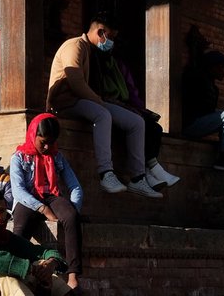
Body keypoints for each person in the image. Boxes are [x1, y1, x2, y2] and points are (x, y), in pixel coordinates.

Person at [46, 12, 163, 197]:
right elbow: (76, 83)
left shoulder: (91, 50)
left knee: (136, 122)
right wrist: (100, 102)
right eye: (111, 37)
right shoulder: (75, 45)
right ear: (101, 32)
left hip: (84, 101)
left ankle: (138, 178)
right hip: (65, 103)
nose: (111, 42)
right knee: (102, 114)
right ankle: (106, 173)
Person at [9, 113, 84, 290]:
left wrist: (73, 208)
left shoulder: (57, 157)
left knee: (71, 216)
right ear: (33, 134)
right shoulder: (19, 157)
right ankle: (15, 274)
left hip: (51, 196)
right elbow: (18, 191)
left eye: (51, 142)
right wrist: (42, 209)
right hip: (28, 198)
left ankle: (73, 275)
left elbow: (75, 187)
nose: (47, 146)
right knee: (21, 226)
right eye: (43, 142)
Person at [181, 51, 224, 173]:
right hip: (191, 124)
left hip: (199, 121)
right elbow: (201, 108)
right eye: (222, 67)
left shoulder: (211, 85)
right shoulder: (197, 80)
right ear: (212, 67)